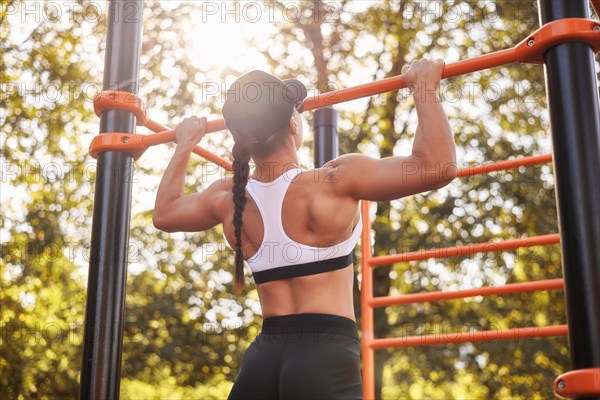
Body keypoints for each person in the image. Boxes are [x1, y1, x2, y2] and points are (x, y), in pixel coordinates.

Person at [153, 58, 456, 399]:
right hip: (324, 356)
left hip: (262, 361)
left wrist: (184, 144)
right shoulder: (333, 181)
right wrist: (424, 87)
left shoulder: (228, 197)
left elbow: (164, 214)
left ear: (240, 138)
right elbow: (437, 167)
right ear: (294, 126)